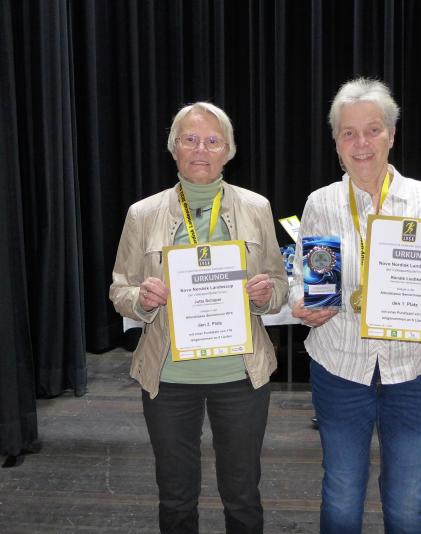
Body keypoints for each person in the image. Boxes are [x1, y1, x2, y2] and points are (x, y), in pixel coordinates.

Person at [290, 78, 421, 533]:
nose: (362, 143)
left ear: (391, 135)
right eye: (348, 133)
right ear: (336, 144)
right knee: (341, 496)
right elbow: (307, 282)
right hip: (340, 367)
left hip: (412, 370)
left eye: (372, 130)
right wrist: (306, 305)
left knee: (408, 504)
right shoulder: (322, 203)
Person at [109, 101, 287, 534]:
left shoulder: (257, 207)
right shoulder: (143, 214)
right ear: (174, 148)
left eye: (212, 141)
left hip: (241, 375)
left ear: (229, 151)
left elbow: (281, 284)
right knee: (175, 498)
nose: (201, 149)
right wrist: (141, 299)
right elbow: (119, 290)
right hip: (169, 377)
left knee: (242, 496)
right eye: (190, 139)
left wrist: (267, 295)